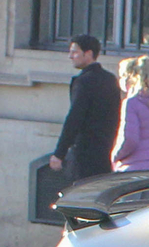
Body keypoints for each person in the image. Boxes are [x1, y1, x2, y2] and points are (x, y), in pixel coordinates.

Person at [48, 34, 121, 181]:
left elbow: (74, 118)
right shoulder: (110, 79)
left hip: (84, 154)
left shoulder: (84, 82)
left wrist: (59, 153)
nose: (71, 56)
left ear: (88, 54)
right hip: (104, 151)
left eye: (75, 52)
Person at [112, 57, 149, 171]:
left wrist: (115, 155)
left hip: (132, 167)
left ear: (129, 77)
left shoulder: (131, 103)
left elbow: (130, 139)